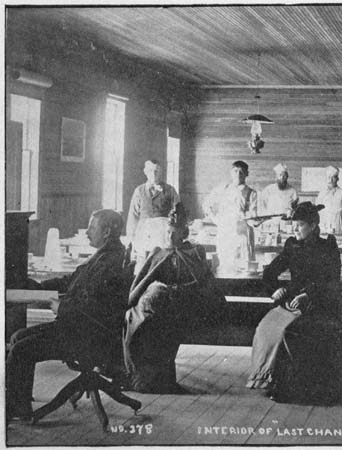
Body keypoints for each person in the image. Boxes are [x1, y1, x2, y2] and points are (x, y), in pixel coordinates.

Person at [6, 210, 129, 420]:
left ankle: (17, 409)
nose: (87, 233)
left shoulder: (109, 262)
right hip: (82, 327)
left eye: (92, 228)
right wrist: (37, 287)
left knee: (21, 349)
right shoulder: (107, 255)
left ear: (107, 232)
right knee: (18, 337)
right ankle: (19, 404)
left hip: (89, 336)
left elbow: (94, 308)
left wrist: (60, 308)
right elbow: (72, 281)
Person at [246, 202, 342, 405]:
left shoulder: (328, 247)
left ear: (313, 226)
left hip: (320, 304)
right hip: (293, 302)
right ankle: (271, 381)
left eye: (300, 225)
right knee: (267, 327)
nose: (295, 229)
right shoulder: (292, 245)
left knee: (291, 332)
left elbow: (331, 281)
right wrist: (274, 289)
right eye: (294, 225)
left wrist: (308, 295)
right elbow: (270, 272)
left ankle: (298, 388)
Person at [123, 203, 224, 393]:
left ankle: (155, 380)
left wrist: (177, 291)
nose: (168, 237)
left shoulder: (194, 253)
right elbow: (141, 283)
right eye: (167, 233)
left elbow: (204, 284)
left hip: (186, 308)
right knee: (140, 322)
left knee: (162, 325)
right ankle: (142, 378)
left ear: (182, 234)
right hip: (159, 308)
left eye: (173, 233)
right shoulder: (158, 254)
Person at [126, 159, 180, 273]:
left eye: (157, 171)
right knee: (143, 263)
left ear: (162, 172)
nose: (154, 174)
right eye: (151, 171)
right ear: (145, 172)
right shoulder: (139, 191)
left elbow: (179, 212)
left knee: (162, 262)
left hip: (163, 232)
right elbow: (133, 216)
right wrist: (132, 238)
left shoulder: (170, 190)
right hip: (144, 232)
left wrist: (174, 232)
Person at [204, 160, 258, 275]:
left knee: (245, 266)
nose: (238, 174)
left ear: (247, 174)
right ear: (231, 173)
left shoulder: (251, 193)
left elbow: (252, 216)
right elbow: (207, 204)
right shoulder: (223, 189)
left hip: (243, 234)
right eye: (235, 171)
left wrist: (255, 221)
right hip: (225, 233)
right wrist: (216, 219)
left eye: (241, 172)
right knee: (225, 265)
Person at [315, 165, 342, 234]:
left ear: (337, 179)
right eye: (328, 177)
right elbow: (316, 209)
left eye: (333, 177)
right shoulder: (322, 193)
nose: (330, 180)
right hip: (323, 225)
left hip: (337, 225)